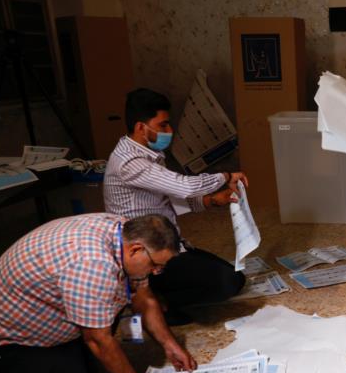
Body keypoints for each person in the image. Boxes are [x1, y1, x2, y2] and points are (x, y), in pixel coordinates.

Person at [0, 213, 197, 373]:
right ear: (136, 250)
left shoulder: (123, 231)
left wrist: (169, 344)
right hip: (11, 340)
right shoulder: (93, 265)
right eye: (155, 265)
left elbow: (143, 296)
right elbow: (98, 341)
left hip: (50, 319)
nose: (157, 272)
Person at [104, 88, 248, 325]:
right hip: (145, 255)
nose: (169, 132)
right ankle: (150, 300)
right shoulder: (130, 161)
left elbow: (167, 198)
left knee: (233, 276)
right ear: (141, 127)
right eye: (163, 125)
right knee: (227, 282)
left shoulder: (148, 153)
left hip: (166, 242)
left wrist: (211, 200)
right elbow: (183, 187)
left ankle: (156, 295)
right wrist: (225, 176)